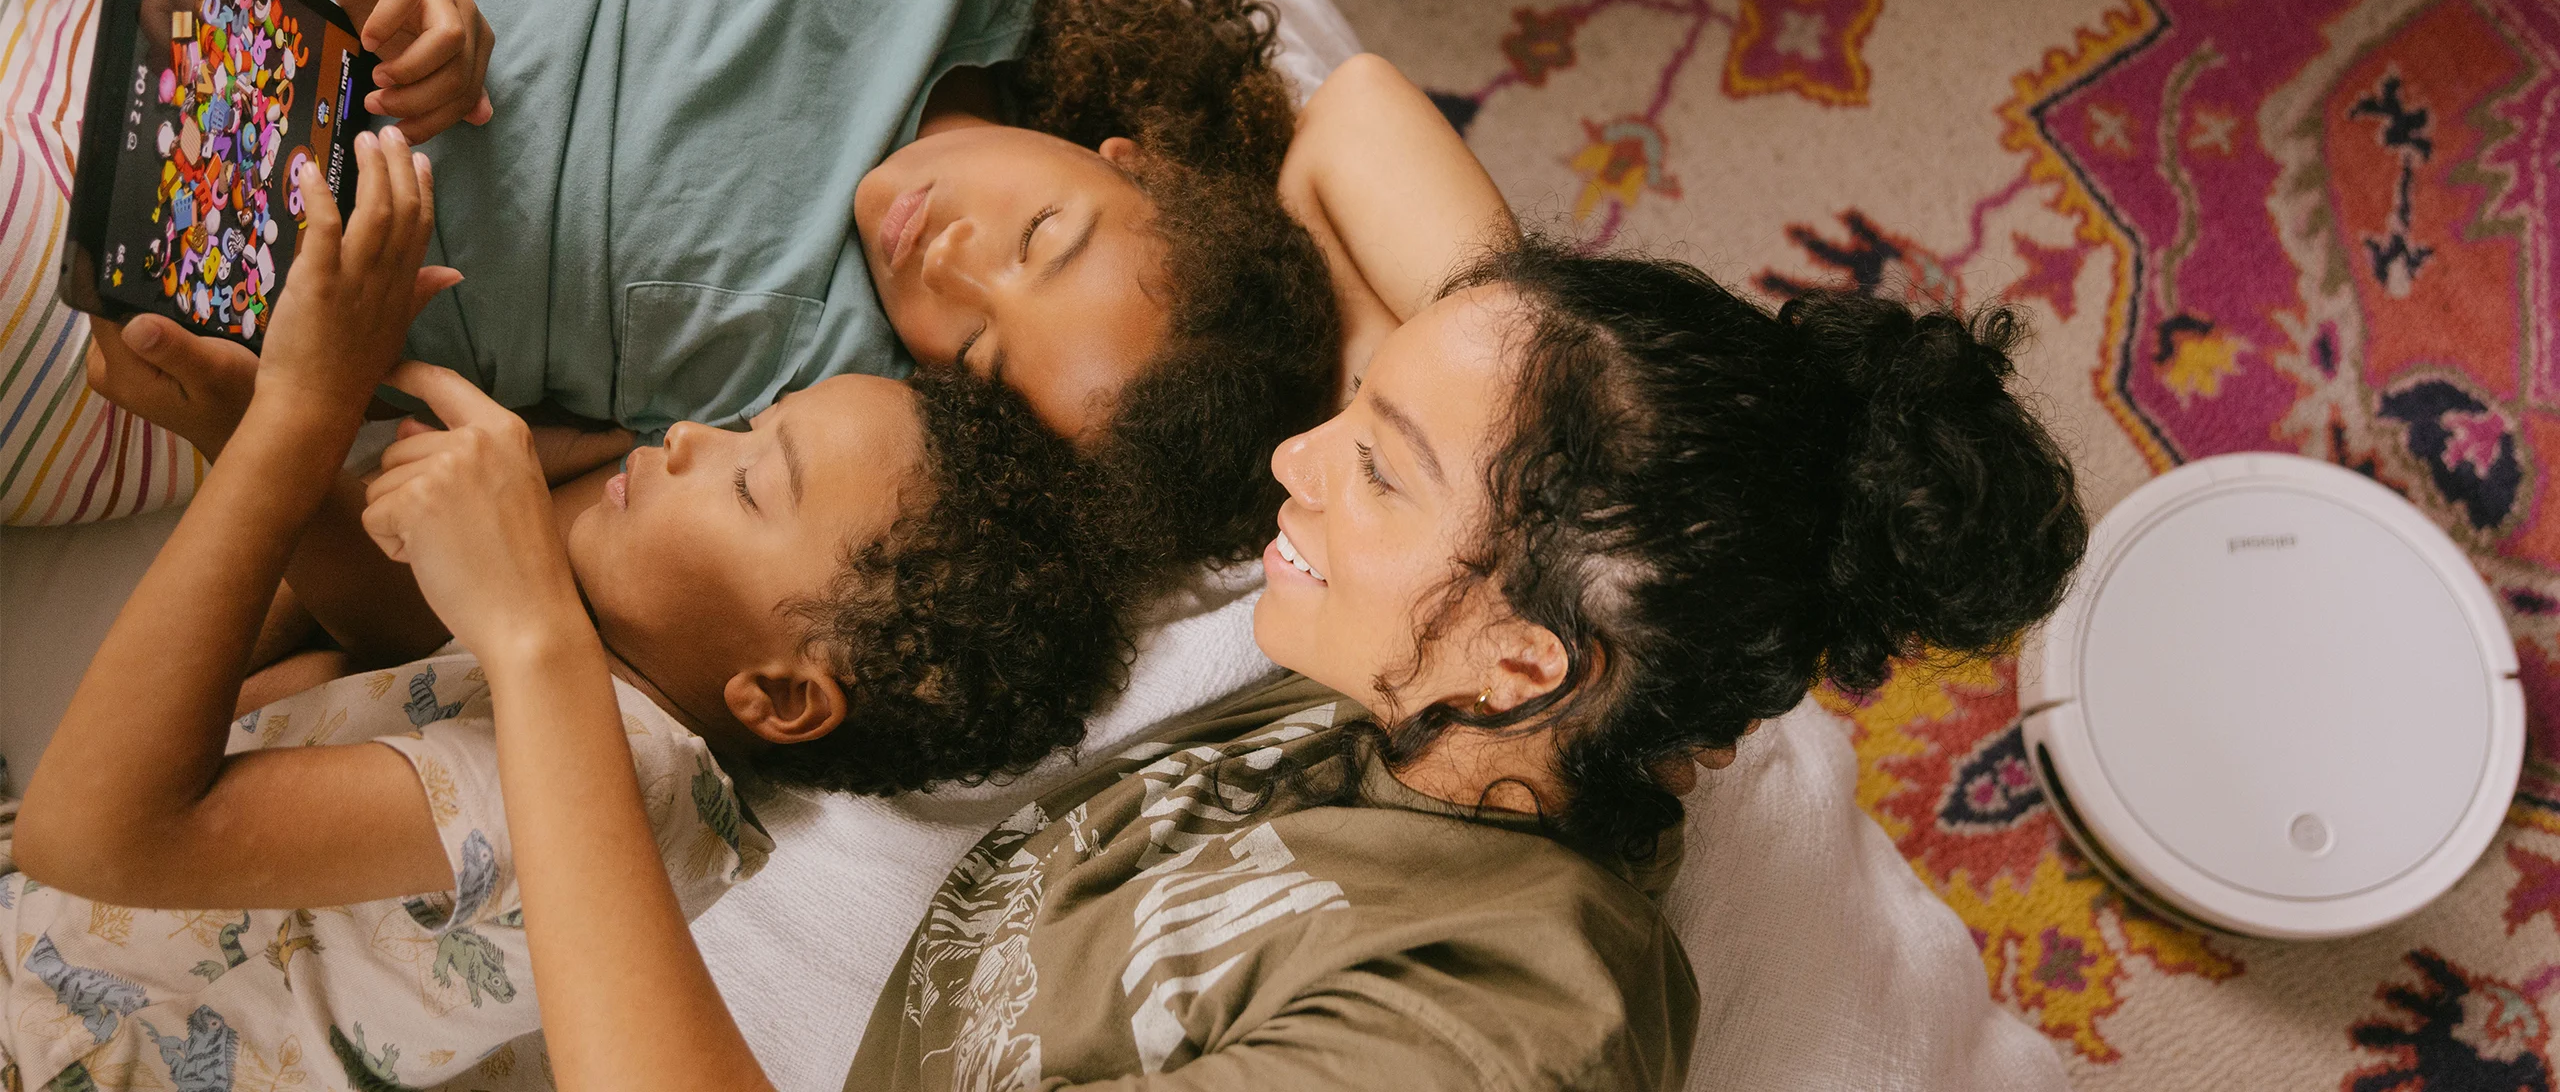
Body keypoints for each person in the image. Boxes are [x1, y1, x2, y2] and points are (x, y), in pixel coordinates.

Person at [316, 229, 2088, 1090]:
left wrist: (540, 643)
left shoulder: (1494, 1023)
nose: (1294, 468)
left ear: (1522, 657)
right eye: (1354, 414)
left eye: (1376, 465)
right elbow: (1370, 145)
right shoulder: (1396, 693)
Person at [272, 0, 1508, 582]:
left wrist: (321, 409)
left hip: (242, 303)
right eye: (1043, 236)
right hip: (259, 23)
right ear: (1129, 158)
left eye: (973, 354)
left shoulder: (828, 400)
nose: (952, 266)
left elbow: (541, 491)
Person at [7, 132, 1129, 1092]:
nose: (689, 438)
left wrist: (292, 431)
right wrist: (248, 423)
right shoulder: (629, 713)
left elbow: (96, 836)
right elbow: (399, 646)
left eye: (749, 481)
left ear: (783, 690)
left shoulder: (628, 782)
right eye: (750, 422)